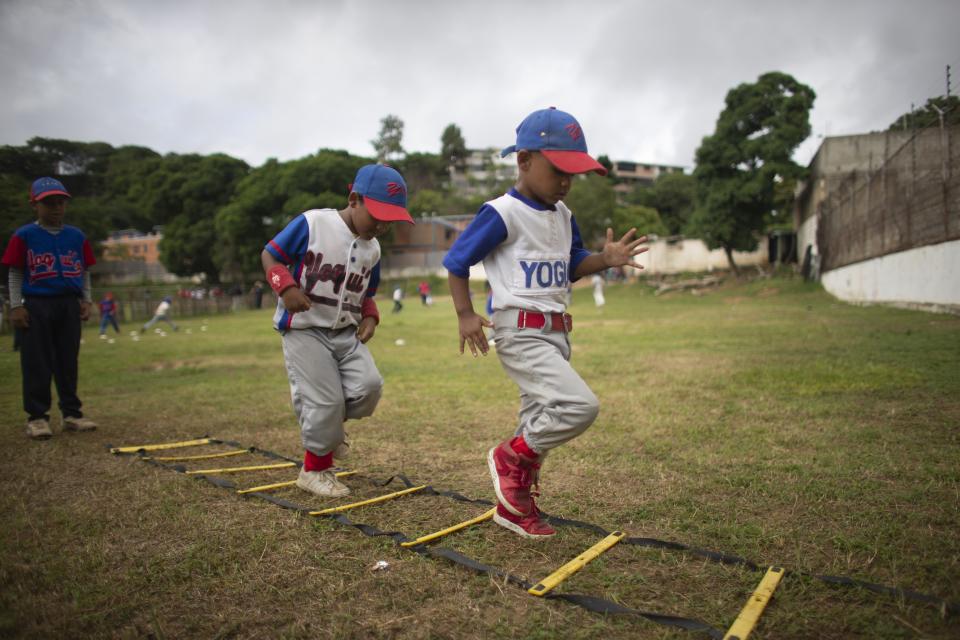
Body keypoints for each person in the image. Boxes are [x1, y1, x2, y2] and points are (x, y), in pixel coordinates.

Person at [443, 108, 648, 539]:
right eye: (559, 170)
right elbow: (458, 261)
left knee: (537, 416)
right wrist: (465, 314)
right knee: (577, 406)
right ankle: (509, 459)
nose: (566, 182)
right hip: (519, 330)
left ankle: (513, 507)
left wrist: (603, 260)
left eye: (574, 173)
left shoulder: (563, 215)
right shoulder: (502, 213)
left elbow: (573, 264)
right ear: (524, 161)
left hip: (556, 332)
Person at [261, 164, 414, 497]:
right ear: (354, 199)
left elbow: (367, 293)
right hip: (304, 329)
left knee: (369, 388)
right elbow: (271, 256)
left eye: (391, 219)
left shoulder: (372, 249)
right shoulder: (314, 223)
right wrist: (286, 288)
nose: (383, 225)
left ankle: (328, 429)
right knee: (325, 402)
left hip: (345, 332)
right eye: (377, 214)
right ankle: (314, 471)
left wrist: (371, 318)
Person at [2, 177, 99, 439]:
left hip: (68, 303)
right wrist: (15, 305)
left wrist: (86, 299)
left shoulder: (76, 236)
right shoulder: (24, 236)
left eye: (60, 203)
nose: (56, 208)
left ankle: (72, 414)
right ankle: (37, 417)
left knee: (67, 360)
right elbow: (15, 272)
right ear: (35, 204)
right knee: (36, 361)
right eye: (49, 203)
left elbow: (85, 271)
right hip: (37, 304)